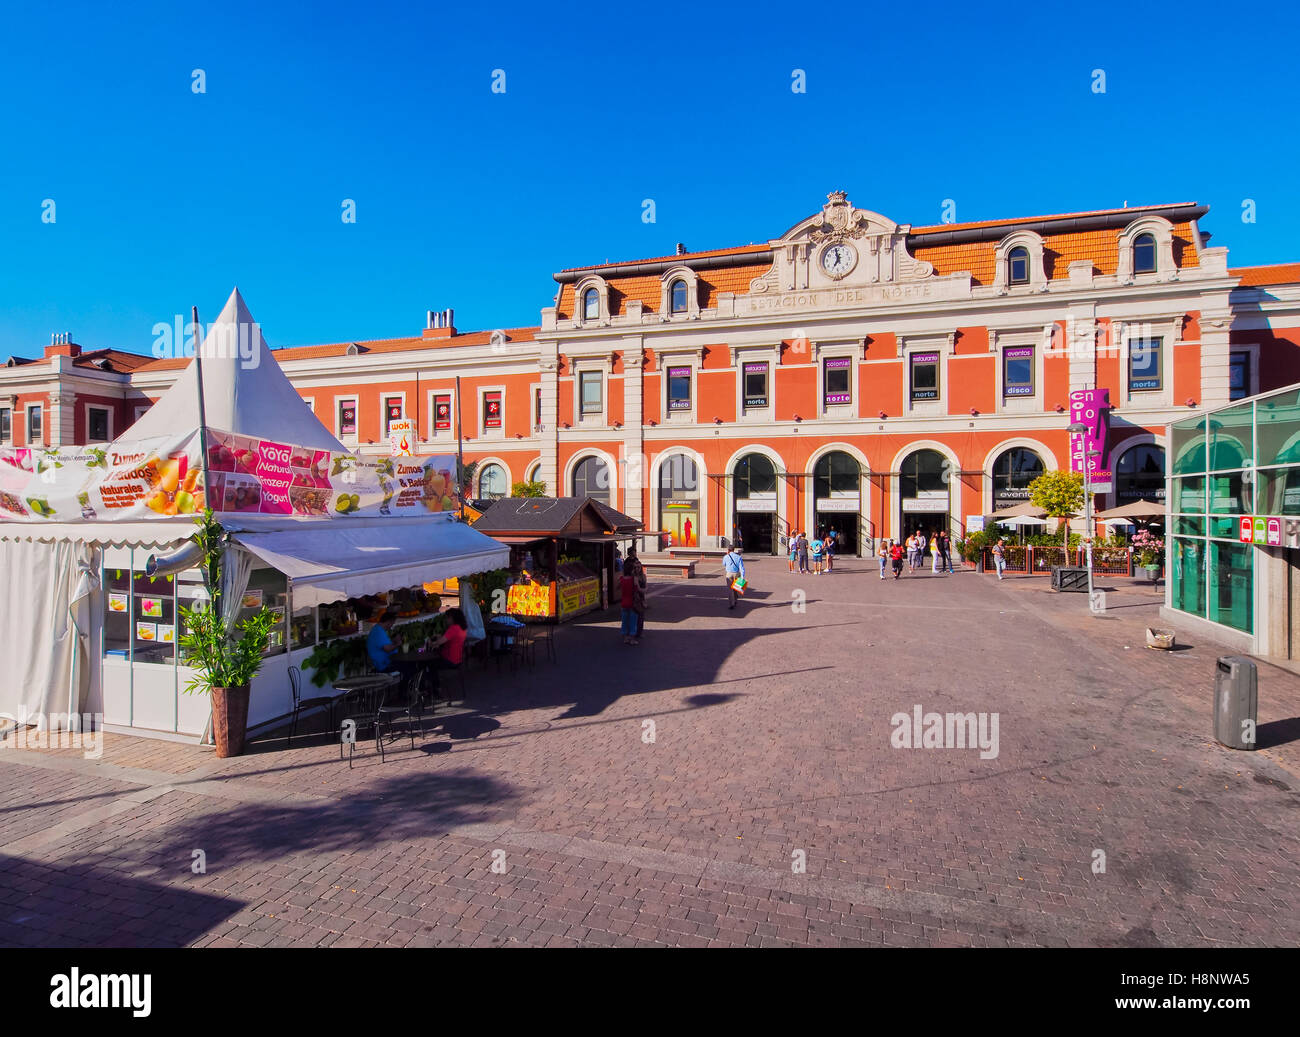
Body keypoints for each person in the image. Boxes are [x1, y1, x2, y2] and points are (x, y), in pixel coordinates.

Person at [425, 608, 469, 697]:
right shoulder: (462, 627)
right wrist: (440, 636)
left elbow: (438, 643)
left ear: (452, 618)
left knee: (430, 664)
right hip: (458, 660)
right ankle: (434, 687)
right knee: (432, 663)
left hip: (449, 660)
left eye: (447, 618)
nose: (446, 620)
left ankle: (435, 689)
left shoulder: (453, 629)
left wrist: (429, 641)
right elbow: (450, 638)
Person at [620, 566, 639, 644]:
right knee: (633, 621)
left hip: (624, 602)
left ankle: (625, 638)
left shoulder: (621, 579)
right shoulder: (634, 579)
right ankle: (632, 639)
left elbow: (618, 588)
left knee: (624, 620)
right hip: (632, 602)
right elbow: (637, 589)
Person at [723, 544, 746, 609]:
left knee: (730, 589)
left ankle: (731, 604)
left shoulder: (726, 556)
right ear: (734, 549)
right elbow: (742, 568)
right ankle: (735, 599)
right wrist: (742, 576)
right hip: (737, 573)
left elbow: (724, 564)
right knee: (736, 588)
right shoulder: (738, 557)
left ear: (728, 550)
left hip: (729, 574)